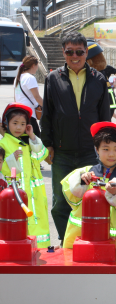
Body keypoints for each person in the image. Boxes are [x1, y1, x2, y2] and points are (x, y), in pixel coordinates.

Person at [41, 31, 111, 244]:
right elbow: (47, 114)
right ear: (63, 53)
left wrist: (105, 148)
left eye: (79, 52)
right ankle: (66, 241)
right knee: (60, 203)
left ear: (86, 52)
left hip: (91, 153)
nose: (74, 56)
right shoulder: (53, 78)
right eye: (69, 51)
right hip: (62, 152)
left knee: (93, 199)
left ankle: (90, 240)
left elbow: (105, 117)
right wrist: (48, 145)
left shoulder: (98, 79)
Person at [61, 122, 116, 249]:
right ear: (97, 150)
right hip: (86, 238)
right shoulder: (85, 172)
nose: (111, 154)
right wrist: (81, 182)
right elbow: (72, 199)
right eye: (106, 149)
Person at [0, 103, 50, 247]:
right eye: (14, 123)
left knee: (37, 223)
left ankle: (40, 248)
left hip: (35, 195)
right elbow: (1, 168)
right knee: (16, 224)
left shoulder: (29, 142)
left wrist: (32, 136)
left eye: (22, 124)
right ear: (6, 124)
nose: (18, 127)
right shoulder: (3, 144)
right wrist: (11, 160)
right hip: (15, 194)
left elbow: (42, 155)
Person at [86, 40, 116, 119]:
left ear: (89, 61)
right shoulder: (103, 72)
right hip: (110, 102)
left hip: (104, 105)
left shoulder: (96, 76)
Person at [13, 55, 43, 137]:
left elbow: (15, 98)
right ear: (33, 65)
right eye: (37, 65)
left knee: (24, 139)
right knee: (37, 141)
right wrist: (48, 107)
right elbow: (37, 97)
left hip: (19, 113)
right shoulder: (30, 78)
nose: (37, 68)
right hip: (29, 114)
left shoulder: (18, 78)